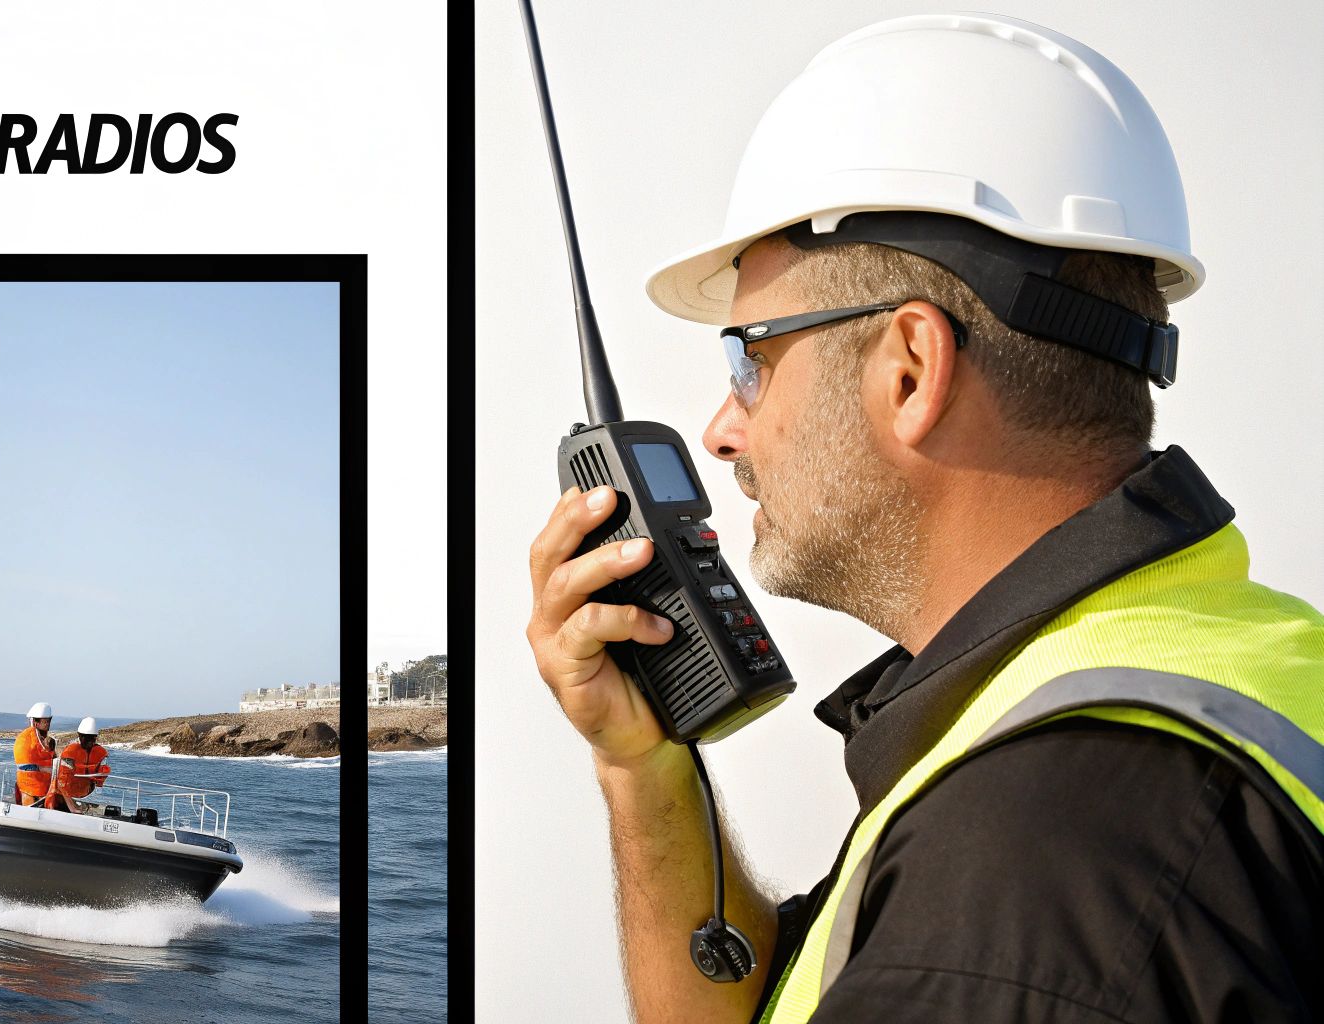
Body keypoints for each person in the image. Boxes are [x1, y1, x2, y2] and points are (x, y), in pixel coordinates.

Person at [524, 13, 1322, 1023]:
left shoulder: (1032, 863)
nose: (722, 431)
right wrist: (643, 765)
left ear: (909, 369)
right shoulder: (1235, 660)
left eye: (750, 360)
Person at [53, 718, 110, 814]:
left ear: (95, 737)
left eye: (92, 738)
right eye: (86, 738)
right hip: (67, 797)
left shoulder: (101, 753)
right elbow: (62, 782)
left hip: (87, 794)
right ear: (80, 736)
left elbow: (102, 775)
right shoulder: (70, 752)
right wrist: (72, 807)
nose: (90, 742)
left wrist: (98, 789)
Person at [12, 702, 59, 810]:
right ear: (35, 722)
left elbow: (52, 759)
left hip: (44, 788)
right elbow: (24, 765)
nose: (48, 724)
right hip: (30, 788)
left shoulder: (43, 740)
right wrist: (45, 769)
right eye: (45, 721)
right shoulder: (27, 739)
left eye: (49, 721)